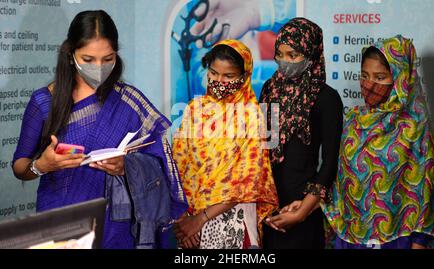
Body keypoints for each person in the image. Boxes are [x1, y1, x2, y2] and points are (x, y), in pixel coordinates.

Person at [11, 10, 187, 249]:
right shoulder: (44, 102)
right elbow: (20, 167)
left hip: (119, 229)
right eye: (88, 59)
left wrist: (127, 167)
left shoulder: (129, 100)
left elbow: (160, 159)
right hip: (61, 226)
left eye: (107, 59)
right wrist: (42, 165)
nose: (99, 67)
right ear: (71, 53)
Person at [322, 35, 434, 249]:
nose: (369, 84)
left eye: (380, 77)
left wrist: (419, 243)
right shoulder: (354, 120)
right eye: (365, 75)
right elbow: (339, 181)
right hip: (350, 237)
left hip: (397, 239)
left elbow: (425, 192)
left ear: (400, 78)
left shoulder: (415, 127)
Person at [172, 39, 278, 249]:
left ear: (245, 77)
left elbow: (246, 182)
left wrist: (200, 220)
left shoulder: (252, 116)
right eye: (213, 73)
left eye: (228, 76)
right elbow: (179, 166)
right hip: (189, 224)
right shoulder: (195, 109)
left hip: (231, 221)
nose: (219, 81)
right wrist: (184, 219)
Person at [259, 17, 344, 249]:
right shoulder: (270, 89)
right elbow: (265, 146)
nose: (285, 62)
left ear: (311, 53)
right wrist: (261, 203)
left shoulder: (326, 98)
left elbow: (329, 163)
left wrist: (303, 210)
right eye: (281, 54)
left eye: (293, 55)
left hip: (302, 208)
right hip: (268, 207)